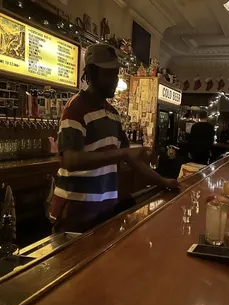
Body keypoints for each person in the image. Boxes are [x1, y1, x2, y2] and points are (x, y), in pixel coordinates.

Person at [49, 44, 179, 233]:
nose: (115, 80)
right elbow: (70, 160)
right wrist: (124, 153)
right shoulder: (75, 108)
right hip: (75, 212)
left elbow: (130, 158)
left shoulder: (112, 114)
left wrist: (163, 181)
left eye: (116, 74)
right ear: (93, 74)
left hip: (104, 211)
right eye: (109, 74)